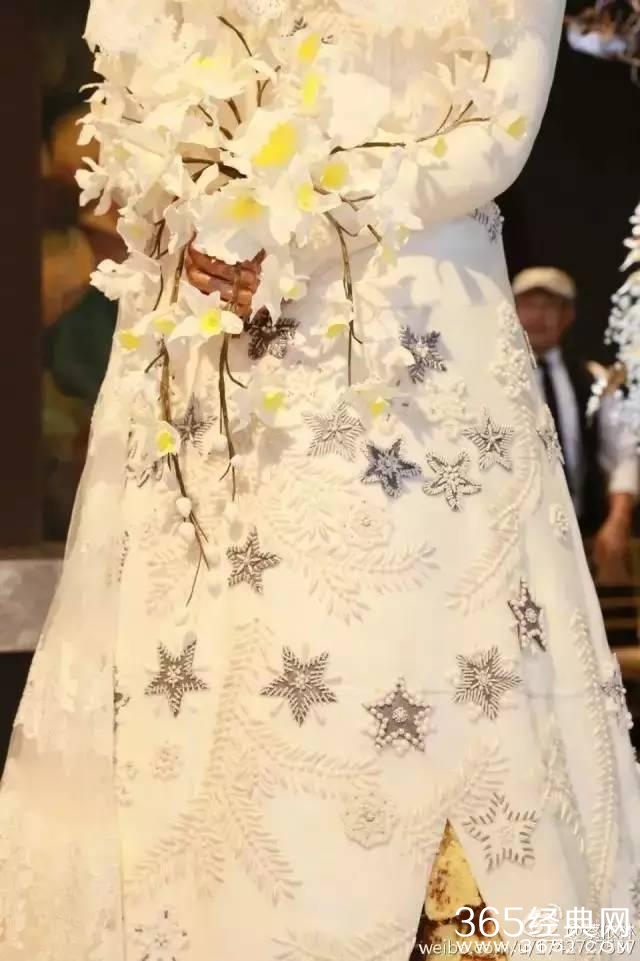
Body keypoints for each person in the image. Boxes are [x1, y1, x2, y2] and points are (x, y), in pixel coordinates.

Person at [1, 1, 640, 959]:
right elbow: (132, 97)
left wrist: (292, 224)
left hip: (405, 336)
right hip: (208, 329)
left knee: (417, 648)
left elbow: (496, 135)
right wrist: (194, 210)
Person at [513, 267, 639, 585]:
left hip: (584, 536)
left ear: (567, 315)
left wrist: (618, 520)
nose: (538, 316)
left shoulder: (594, 379)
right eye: (529, 305)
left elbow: (623, 454)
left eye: (550, 306)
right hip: (517, 543)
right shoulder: (493, 383)